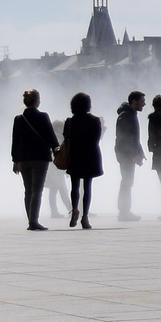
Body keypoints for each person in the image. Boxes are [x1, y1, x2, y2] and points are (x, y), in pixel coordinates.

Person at [10, 89, 59, 232]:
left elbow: (15, 141)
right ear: (37, 101)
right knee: (37, 190)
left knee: (28, 190)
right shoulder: (43, 116)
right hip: (40, 158)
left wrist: (15, 161)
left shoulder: (19, 119)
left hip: (23, 159)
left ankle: (30, 219)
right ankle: (33, 221)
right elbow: (50, 136)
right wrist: (57, 150)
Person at [62, 92, 105, 229]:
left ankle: (74, 208)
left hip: (75, 155)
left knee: (74, 186)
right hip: (90, 155)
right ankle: (85, 217)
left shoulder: (69, 121)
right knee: (87, 187)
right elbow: (97, 138)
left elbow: (66, 137)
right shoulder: (95, 120)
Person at [114, 92, 146, 221]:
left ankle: (124, 211)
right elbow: (125, 138)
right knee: (127, 182)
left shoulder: (130, 115)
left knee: (128, 181)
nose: (144, 103)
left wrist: (140, 152)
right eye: (142, 101)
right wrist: (133, 154)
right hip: (126, 155)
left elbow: (134, 138)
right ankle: (123, 212)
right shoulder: (126, 116)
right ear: (134, 101)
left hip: (127, 154)